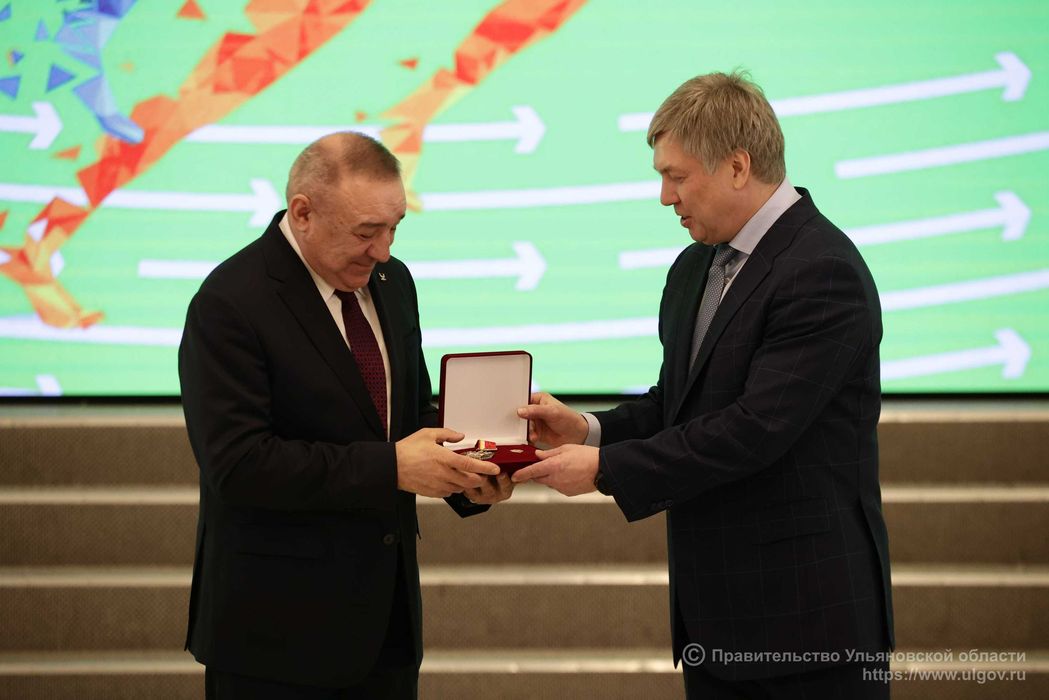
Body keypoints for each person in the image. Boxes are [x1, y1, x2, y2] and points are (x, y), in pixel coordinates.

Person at [514, 72, 894, 698]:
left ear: (738, 167)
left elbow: (753, 430)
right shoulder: (696, 264)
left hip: (806, 623)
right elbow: (680, 404)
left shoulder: (822, 269)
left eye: (677, 176)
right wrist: (586, 429)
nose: (665, 196)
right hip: (716, 621)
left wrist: (606, 468)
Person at [178, 132, 513, 699]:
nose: (383, 250)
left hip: (386, 632)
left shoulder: (391, 281)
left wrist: (468, 473)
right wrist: (393, 468)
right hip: (275, 639)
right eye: (365, 232)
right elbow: (238, 465)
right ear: (303, 213)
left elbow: (405, 414)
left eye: (395, 228)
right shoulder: (230, 302)